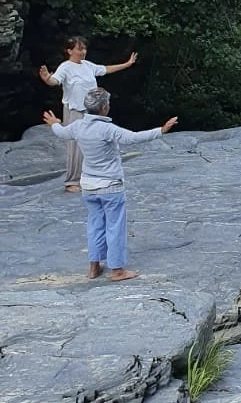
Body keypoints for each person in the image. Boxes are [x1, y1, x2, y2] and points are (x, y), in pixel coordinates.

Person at [43, 87, 177, 281]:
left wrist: (55, 123)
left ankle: (94, 267)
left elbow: (62, 133)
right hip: (110, 186)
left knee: (95, 224)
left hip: (88, 186)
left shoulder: (78, 126)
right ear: (104, 108)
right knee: (115, 227)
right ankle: (117, 270)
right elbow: (133, 138)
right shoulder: (107, 129)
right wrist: (161, 130)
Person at [38, 37, 138, 192]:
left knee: (95, 143)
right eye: (79, 49)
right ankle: (72, 181)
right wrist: (47, 79)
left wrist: (127, 64)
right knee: (76, 147)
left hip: (92, 112)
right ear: (69, 51)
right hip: (75, 111)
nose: (83, 52)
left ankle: (90, 177)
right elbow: (55, 81)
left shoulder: (87, 65)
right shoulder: (65, 67)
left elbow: (105, 69)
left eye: (84, 48)